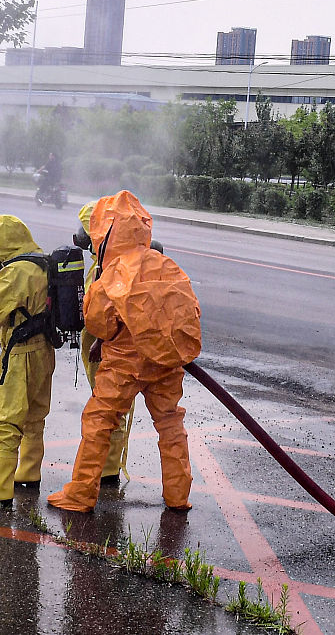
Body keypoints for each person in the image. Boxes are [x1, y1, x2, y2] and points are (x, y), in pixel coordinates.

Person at [47, 190, 202, 513]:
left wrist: (105, 340)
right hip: (167, 361)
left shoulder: (114, 271)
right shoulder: (165, 264)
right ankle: (178, 495)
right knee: (171, 424)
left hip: (124, 364)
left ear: (107, 233)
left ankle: (80, 495)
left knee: (99, 423)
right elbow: (188, 311)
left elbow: (98, 323)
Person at [0, 214, 57, 508]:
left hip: (21, 355)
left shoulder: (16, 272)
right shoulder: (40, 262)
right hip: (44, 350)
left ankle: (1, 488)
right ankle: (29, 472)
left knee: (6, 417)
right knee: (34, 413)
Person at [75, 200, 133, 485]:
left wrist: (99, 340)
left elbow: (111, 312)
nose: (81, 237)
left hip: (110, 349)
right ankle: (106, 467)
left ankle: (108, 471)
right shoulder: (104, 262)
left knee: (110, 409)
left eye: (86, 230)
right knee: (107, 406)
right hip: (102, 346)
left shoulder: (111, 267)